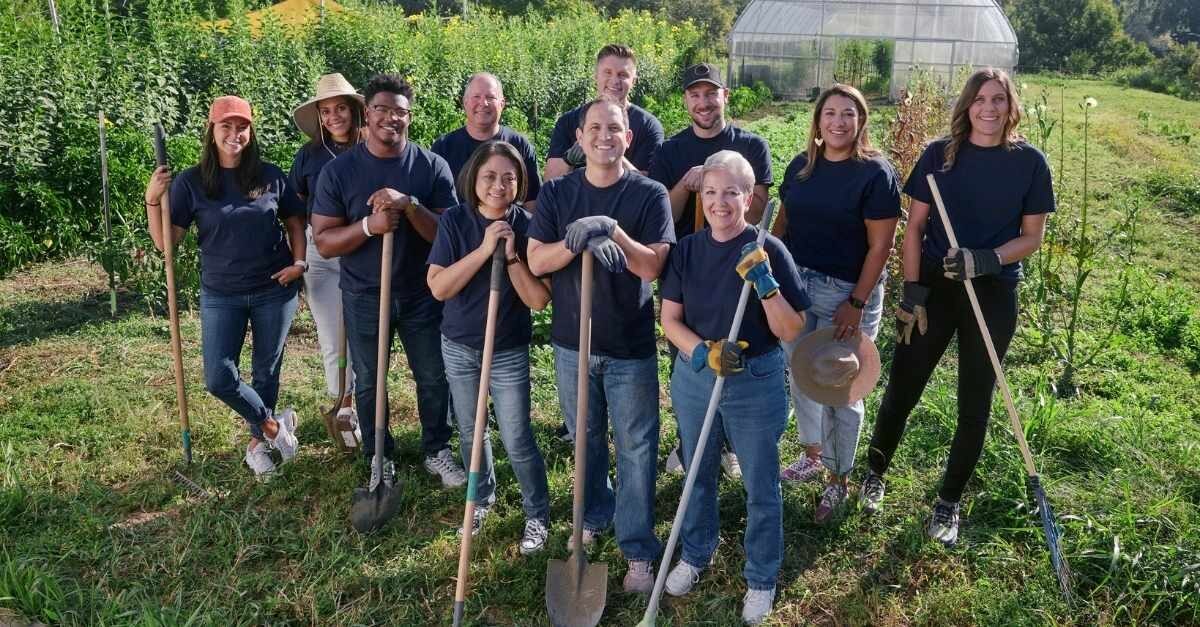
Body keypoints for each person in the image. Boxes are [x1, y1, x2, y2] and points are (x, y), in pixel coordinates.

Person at [862, 68, 1055, 546]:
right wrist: (912, 291)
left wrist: (986, 258)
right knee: (904, 384)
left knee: (975, 400)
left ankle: (948, 502)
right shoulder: (937, 156)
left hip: (991, 291)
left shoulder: (1029, 163)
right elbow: (915, 230)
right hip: (935, 287)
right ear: (967, 106)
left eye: (998, 100)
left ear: (1011, 107)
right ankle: (875, 473)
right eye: (980, 100)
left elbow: (1032, 237)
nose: (989, 109)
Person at [527, 99, 674, 593]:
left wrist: (612, 230)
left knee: (635, 446)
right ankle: (592, 513)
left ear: (628, 138)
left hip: (629, 344)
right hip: (572, 343)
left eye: (615, 128)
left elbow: (652, 266)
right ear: (580, 137)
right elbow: (537, 260)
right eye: (595, 128)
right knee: (585, 439)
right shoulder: (558, 194)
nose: (604, 136)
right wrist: (574, 243)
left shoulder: (649, 195)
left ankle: (637, 548)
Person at [659, 150, 808, 625]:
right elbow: (669, 320)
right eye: (710, 192)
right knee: (698, 473)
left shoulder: (769, 251)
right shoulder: (687, 250)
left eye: (731, 192)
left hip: (755, 381)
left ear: (750, 197)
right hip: (696, 376)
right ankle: (696, 553)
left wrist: (765, 284)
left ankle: (761, 577)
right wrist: (703, 352)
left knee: (761, 484)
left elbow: (790, 330)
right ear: (700, 197)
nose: (720, 202)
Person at [310, 73, 466, 489]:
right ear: (368, 113)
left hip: (422, 293)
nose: (390, 119)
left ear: (409, 118)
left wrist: (409, 205)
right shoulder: (339, 172)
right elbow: (324, 243)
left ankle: (436, 449)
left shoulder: (430, 166)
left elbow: (448, 235)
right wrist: (368, 226)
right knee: (369, 380)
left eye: (400, 112)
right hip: (363, 293)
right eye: (381, 109)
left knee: (433, 376)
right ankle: (379, 455)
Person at [144, 95, 303, 477]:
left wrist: (298, 262)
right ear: (211, 130)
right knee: (218, 377)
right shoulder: (191, 182)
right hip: (221, 292)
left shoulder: (269, 175)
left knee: (266, 371)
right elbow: (167, 243)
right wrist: (153, 201)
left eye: (242, 126)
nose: (235, 134)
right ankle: (272, 427)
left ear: (251, 130)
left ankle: (257, 450)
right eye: (226, 126)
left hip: (273, 288)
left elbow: (295, 220)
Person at [771, 84, 900, 523]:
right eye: (830, 113)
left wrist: (857, 302)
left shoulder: (875, 174)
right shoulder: (801, 167)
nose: (838, 122)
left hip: (845, 290)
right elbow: (782, 223)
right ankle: (812, 453)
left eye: (848, 113)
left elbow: (880, 247)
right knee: (802, 372)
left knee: (841, 385)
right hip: (797, 285)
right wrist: (770, 273)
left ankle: (838, 479)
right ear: (818, 120)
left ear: (861, 120)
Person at [649, 62, 774, 479]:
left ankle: (730, 445)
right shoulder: (670, 151)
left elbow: (757, 212)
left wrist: (723, 182)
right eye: (695, 94)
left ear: (725, 96)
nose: (703, 102)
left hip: (740, 270)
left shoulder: (751, 146)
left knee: (739, 351)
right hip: (688, 270)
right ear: (686, 100)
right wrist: (687, 186)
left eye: (711, 93)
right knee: (689, 355)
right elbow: (665, 215)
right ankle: (691, 442)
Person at [427, 140, 552, 552]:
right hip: (460, 346)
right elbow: (440, 286)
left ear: (520, 184)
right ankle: (481, 499)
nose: (499, 185)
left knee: (516, 436)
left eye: (509, 178)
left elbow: (537, 300)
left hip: (507, 349)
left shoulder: (529, 225)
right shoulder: (455, 222)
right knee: (471, 432)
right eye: (490, 176)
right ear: (474, 179)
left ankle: (537, 513)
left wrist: (512, 256)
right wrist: (484, 250)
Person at [288, 72, 365, 431]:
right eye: (326, 111)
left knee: (363, 334)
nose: (333, 116)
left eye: (340, 108)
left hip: (364, 250)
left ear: (353, 110)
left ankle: (363, 401)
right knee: (332, 334)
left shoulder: (370, 148)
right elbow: (296, 210)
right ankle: (342, 405)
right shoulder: (309, 156)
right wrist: (299, 256)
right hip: (321, 253)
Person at [543, 44, 664, 181]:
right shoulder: (568, 121)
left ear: (634, 81)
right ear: (596, 76)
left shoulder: (648, 126)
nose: (614, 80)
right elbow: (549, 182)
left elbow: (651, 186)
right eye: (607, 72)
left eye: (622, 75)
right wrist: (569, 159)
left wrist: (607, 150)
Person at [431, 73, 541, 210]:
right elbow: (436, 205)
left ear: (502, 103)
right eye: (476, 97)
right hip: (457, 230)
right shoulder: (444, 147)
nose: (483, 103)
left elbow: (531, 201)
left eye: (490, 97)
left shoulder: (519, 145)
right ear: (465, 102)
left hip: (509, 229)